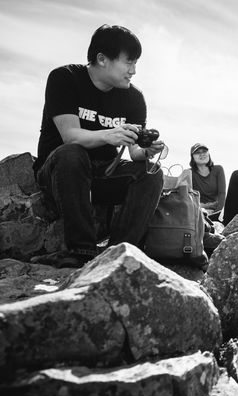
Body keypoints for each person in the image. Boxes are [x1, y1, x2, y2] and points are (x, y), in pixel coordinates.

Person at [32, 24, 164, 268]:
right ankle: (81, 251)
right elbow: (70, 136)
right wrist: (109, 135)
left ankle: (119, 255)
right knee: (73, 153)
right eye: (129, 62)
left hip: (104, 173)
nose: (133, 71)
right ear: (102, 59)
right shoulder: (65, 78)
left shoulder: (134, 98)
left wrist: (146, 151)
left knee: (151, 173)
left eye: (136, 64)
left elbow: (134, 153)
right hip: (60, 173)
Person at [190, 143, 226, 216]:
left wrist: (217, 214)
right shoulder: (189, 173)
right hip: (198, 211)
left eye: (204, 151)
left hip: (216, 211)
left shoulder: (218, 169)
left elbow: (222, 194)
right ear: (192, 157)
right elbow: (188, 198)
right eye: (197, 152)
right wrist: (206, 206)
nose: (202, 154)